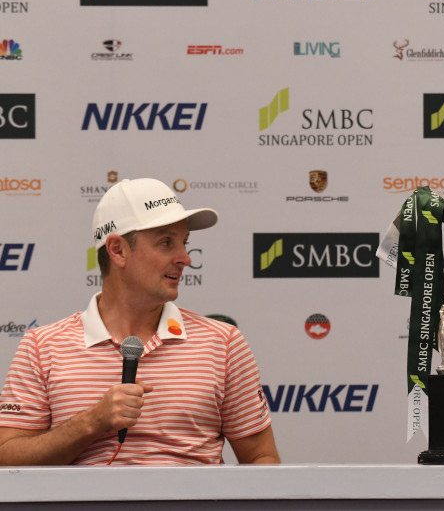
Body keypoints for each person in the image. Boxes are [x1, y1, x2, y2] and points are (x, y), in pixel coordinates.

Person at [0, 178, 280, 465]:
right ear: (118, 250)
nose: (185, 258)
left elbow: (262, 457)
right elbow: (6, 459)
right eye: (166, 242)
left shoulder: (224, 343)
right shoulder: (42, 347)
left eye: (184, 243)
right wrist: (91, 423)